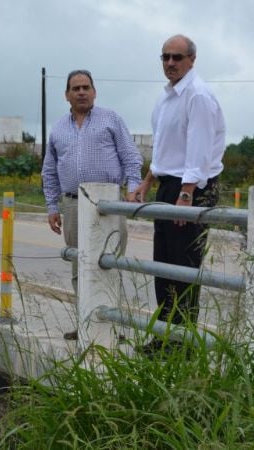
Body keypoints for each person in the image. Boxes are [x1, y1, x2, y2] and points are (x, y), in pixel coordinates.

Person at [130, 34, 226, 352]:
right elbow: (165, 150)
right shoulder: (167, 97)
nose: (170, 63)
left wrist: (185, 195)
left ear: (192, 60)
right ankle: (164, 338)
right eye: (165, 57)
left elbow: (197, 150)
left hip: (193, 189)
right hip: (169, 184)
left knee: (184, 267)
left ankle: (183, 344)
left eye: (177, 57)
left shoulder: (197, 95)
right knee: (164, 263)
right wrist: (147, 182)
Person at [42, 69, 143, 340]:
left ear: (94, 92)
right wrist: (52, 206)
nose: (81, 92)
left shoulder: (111, 120)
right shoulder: (58, 129)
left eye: (86, 87)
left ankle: (113, 326)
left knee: (108, 262)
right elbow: (49, 171)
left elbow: (131, 158)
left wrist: (133, 190)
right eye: (76, 88)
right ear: (67, 95)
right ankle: (85, 323)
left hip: (108, 204)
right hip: (73, 205)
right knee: (80, 265)